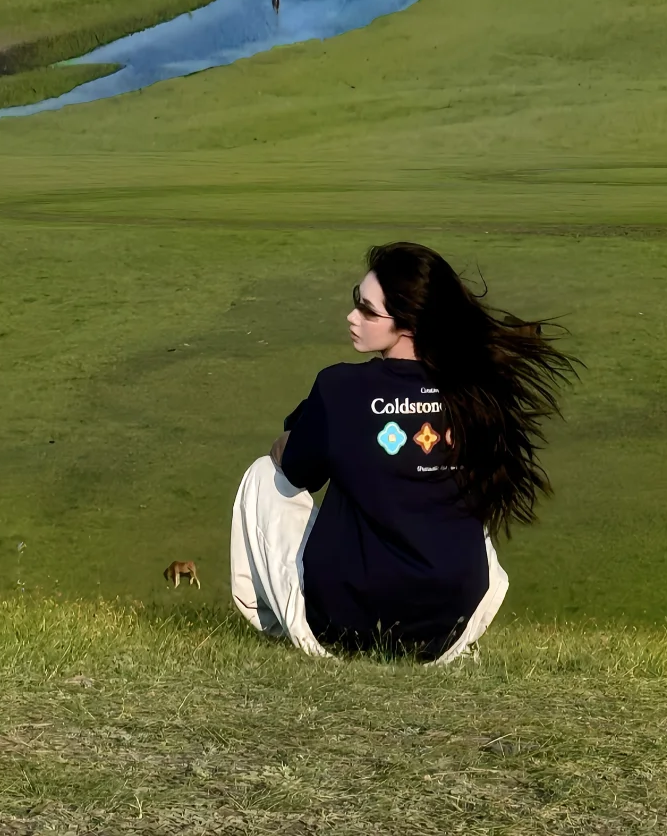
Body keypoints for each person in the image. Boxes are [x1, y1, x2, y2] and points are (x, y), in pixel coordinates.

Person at [230, 242, 576, 661]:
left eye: (368, 311)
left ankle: (287, 627)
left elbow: (297, 469)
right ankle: (450, 638)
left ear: (409, 323)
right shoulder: (474, 393)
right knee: (470, 508)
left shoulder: (339, 389)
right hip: (449, 627)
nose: (352, 317)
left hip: (347, 623)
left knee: (263, 475)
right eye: (356, 302)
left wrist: (297, 443)